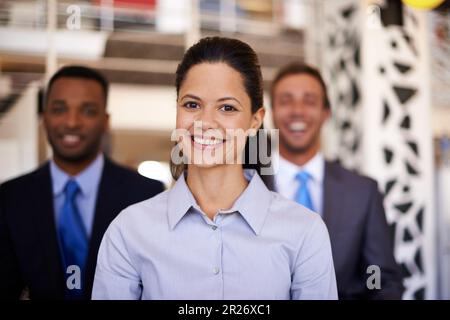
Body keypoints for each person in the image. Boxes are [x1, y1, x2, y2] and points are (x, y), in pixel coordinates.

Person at [92, 37, 338, 300]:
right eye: (192, 105)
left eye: (227, 107)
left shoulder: (304, 232)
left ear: (255, 121)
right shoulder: (129, 231)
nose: (205, 121)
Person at [0, 66, 164, 300]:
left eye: (87, 111)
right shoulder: (11, 198)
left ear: (105, 121)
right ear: (44, 117)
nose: (72, 122)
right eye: (59, 109)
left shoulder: (145, 194)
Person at [270, 62, 404, 299]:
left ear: (326, 113)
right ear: (271, 113)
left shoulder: (362, 192)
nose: (297, 110)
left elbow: (378, 275)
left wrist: (372, 292)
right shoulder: (246, 184)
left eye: (309, 101)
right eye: (286, 101)